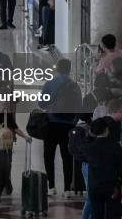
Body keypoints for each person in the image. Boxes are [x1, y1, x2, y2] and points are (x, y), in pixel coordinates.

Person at [38, 58, 81, 197]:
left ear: (57, 69)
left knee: (49, 156)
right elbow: (79, 107)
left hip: (51, 124)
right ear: (69, 70)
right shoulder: (75, 86)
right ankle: (67, 188)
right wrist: (73, 122)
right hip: (68, 126)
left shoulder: (49, 84)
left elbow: (41, 104)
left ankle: (51, 186)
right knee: (67, 157)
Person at [80, 118, 122, 219]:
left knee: (96, 213)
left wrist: (90, 136)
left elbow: (80, 150)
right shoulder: (114, 146)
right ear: (107, 130)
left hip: (94, 187)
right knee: (113, 214)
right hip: (111, 186)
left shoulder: (89, 147)